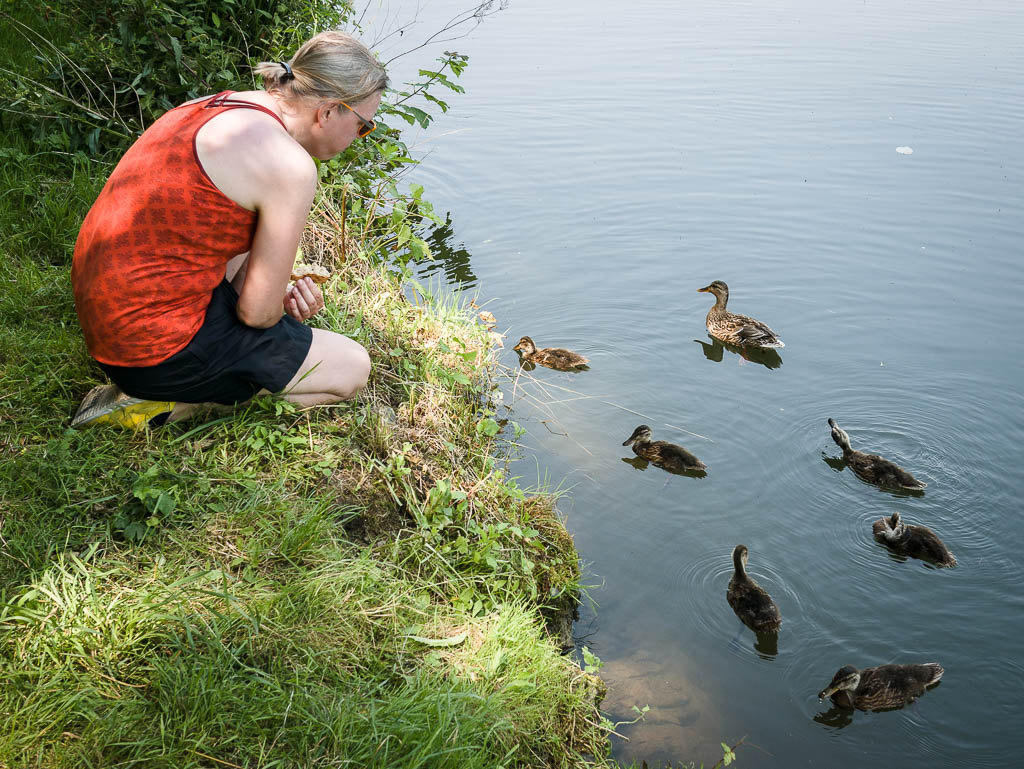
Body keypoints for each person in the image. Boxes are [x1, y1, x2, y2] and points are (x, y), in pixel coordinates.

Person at [70, 31, 388, 428]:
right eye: (363, 127)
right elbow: (256, 315)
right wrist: (279, 314)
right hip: (151, 350)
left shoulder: (224, 105)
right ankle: (159, 405)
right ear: (327, 112)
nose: (359, 139)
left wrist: (274, 305)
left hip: (110, 319)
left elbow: (223, 248)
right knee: (351, 369)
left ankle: (163, 383)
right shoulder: (289, 166)